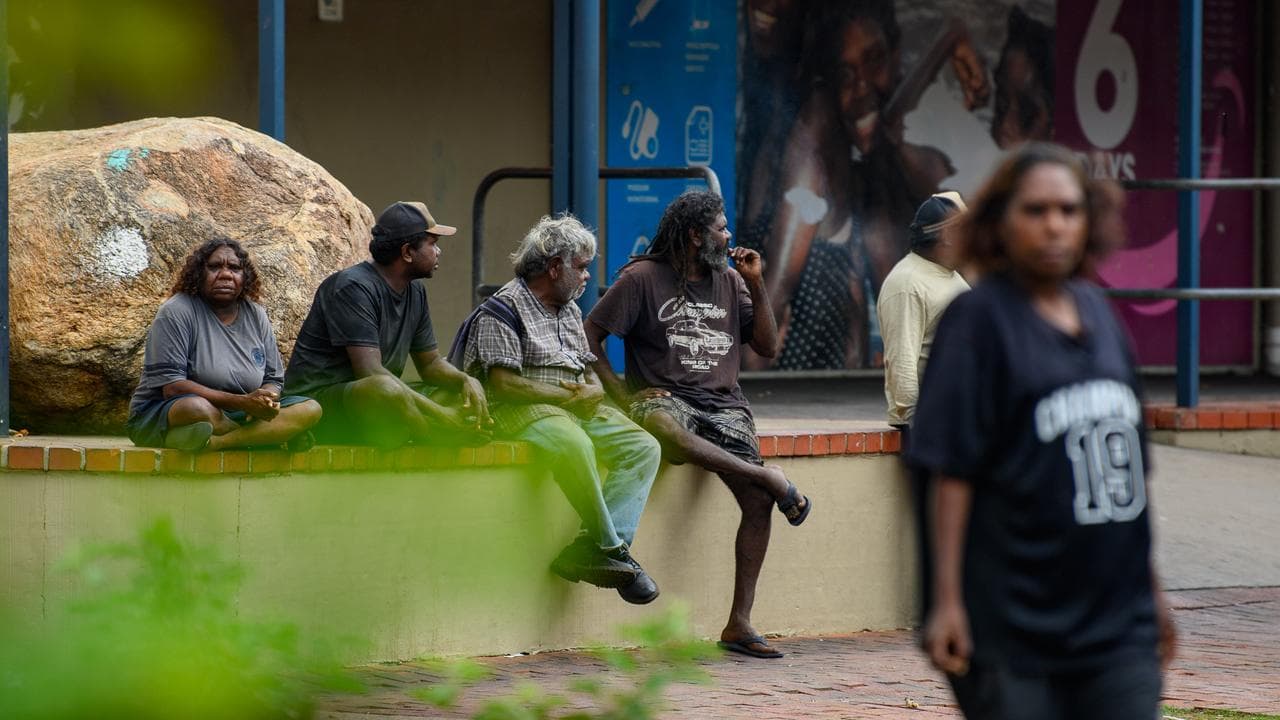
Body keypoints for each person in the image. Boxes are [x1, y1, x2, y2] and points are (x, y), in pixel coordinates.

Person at [909, 144, 1176, 718]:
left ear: (1089, 220)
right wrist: (947, 601)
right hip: (1013, 625)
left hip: (1116, 623)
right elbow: (949, 472)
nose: (1054, 225)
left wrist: (1152, 594)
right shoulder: (977, 322)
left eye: (1068, 209)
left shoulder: (1100, 313)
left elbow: (1130, 473)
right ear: (1001, 221)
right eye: (1035, 210)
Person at [585, 190, 812, 659]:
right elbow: (589, 337)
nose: (729, 236)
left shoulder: (730, 279)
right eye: (721, 229)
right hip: (667, 401)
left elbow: (767, 348)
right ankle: (768, 477)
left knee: (758, 502)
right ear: (693, 236)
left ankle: (739, 623)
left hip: (724, 407)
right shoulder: (641, 278)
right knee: (665, 428)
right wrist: (624, 398)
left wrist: (757, 283)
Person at [760, 0, 988, 369]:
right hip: (800, 395)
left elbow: (891, 121)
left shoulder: (885, 160)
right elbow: (775, 293)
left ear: (897, 57)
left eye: (874, 61)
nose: (862, 86)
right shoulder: (817, 136)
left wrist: (950, 40)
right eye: (846, 73)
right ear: (830, 82)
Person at [458, 214, 662, 605]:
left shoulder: (568, 309)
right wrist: (568, 398)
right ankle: (613, 551)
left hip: (572, 404)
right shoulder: (502, 309)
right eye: (581, 267)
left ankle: (591, 547)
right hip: (524, 408)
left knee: (644, 447)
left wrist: (593, 390)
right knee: (574, 445)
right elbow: (504, 385)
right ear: (554, 267)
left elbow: (589, 369)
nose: (587, 277)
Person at [283, 201, 489, 447]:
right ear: (407, 252)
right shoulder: (353, 287)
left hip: (382, 401)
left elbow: (431, 363)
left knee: (459, 393)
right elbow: (371, 372)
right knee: (385, 390)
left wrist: (465, 380)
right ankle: (436, 435)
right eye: (432, 244)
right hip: (323, 405)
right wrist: (441, 414)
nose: (438, 252)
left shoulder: (416, 291)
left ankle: (422, 430)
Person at [127, 237, 322, 452]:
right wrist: (242, 402)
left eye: (235, 268)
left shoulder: (256, 314)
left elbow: (273, 379)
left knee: (310, 408)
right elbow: (173, 387)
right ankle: (268, 437)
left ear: (244, 276)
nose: (226, 274)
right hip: (166, 410)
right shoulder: (177, 312)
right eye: (214, 267)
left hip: (241, 412)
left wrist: (265, 400)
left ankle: (219, 442)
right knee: (197, 408)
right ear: (199, 273)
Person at [877, 190, 970, 620]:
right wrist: (914, 425)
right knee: (941, 525)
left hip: (966, 417)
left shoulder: (950, 275)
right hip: (934, 423)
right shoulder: (907, 282)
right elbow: (902, 359)